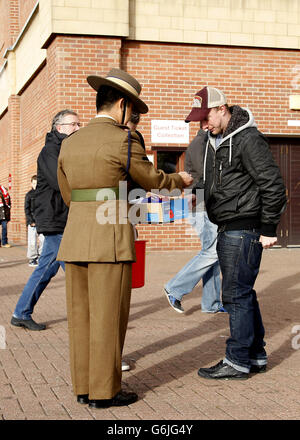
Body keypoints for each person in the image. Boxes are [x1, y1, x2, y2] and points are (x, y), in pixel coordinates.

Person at [56, 68, 193, 409]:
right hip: (110, 239)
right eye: (132, 109)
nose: (132, 116)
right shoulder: (123, 139)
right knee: (108, 317)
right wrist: (181, 179)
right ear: (121, 105)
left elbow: (67, 193)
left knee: (81, 317)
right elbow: (151, 179)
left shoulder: (70, 141)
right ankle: (105, 392)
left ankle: (84, 387)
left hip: (75, 237)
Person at [185, 86, 286, 380]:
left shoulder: (247, 139)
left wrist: (268, 229)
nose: (203, 124)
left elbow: (273, 185)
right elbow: (219, 182)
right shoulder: (215, 141)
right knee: (243, 293)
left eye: (206, 118)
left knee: (234, 295)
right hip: (228, 225)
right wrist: (198, 197)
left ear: (221, 108)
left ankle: (237, 360)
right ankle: (254, 355)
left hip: (244, 228)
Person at [11, 109, 80, 331]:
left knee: (55, 268)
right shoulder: (50, 151)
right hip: (54, 218)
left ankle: (21, 312)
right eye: (74, 124)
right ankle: (21, 313)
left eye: (79, 124)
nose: (78, 128)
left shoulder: (65, 149)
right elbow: (59, 181)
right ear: (60, 128)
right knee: (69, 269)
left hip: (62, 218)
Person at [164, 128, 224, 314]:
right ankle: (174, 288)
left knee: (212, 255)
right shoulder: (203, 144)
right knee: (212, 252)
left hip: (203, 205)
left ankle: (211, 303)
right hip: (202, 206)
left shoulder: (203, 143)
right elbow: (206, 178)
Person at [25, 175, 45, 266]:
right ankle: (32, 258)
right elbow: (27, 209)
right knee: (32, 241)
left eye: (37, 183)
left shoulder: (42, 194)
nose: (35, 185)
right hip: (32, 222)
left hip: (41, 221)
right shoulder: (29, 195)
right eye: (33, 183)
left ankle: (41, 257)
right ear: (31, 183)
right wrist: (30, 221)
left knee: (43, 240)